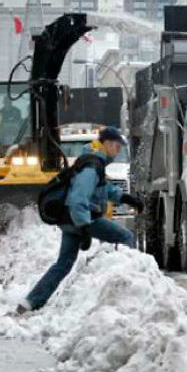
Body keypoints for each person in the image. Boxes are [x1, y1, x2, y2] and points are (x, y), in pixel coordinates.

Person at [16, 127, 143, 314]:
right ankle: (130, 289)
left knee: (63, 264)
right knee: (125, 237)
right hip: (81, 219)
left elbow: (102, 188)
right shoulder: (92, 167)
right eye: (117, 146)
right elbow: (78, 199)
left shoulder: (91, 162)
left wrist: (125, 198)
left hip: (70, 220)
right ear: (107, 144)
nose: (118, 151)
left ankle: (30, 302)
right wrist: (84, 227)